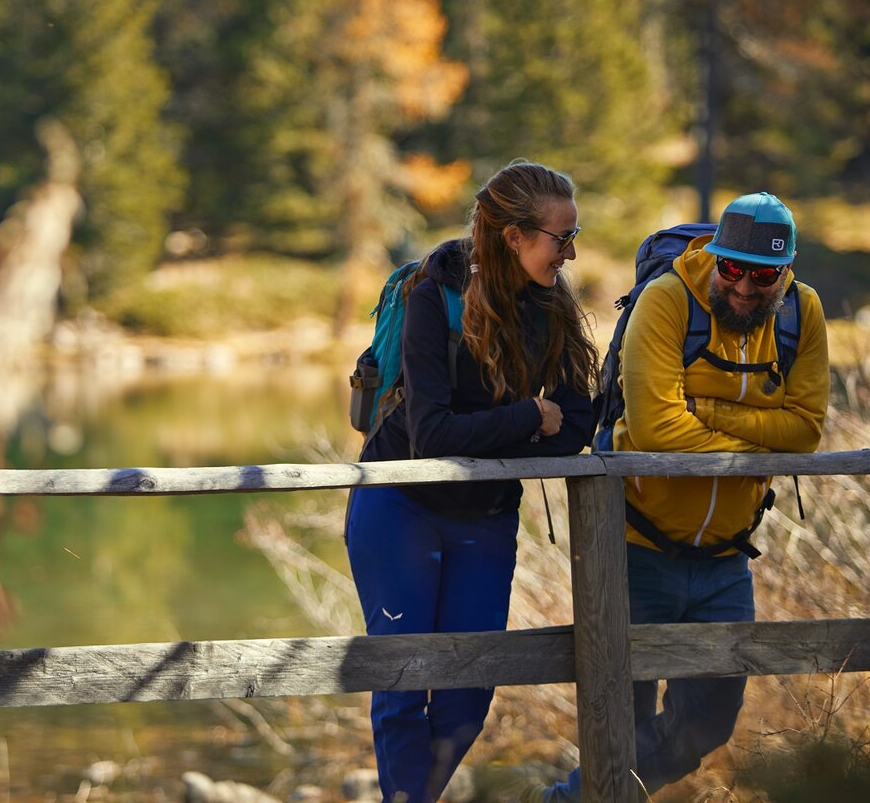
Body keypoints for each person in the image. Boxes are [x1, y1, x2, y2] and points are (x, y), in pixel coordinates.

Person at [524, 191, 830, 801]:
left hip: (726, 558)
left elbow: (806, 431)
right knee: (618, 723)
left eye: (763, 275)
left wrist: (712, 411)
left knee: (706, 725)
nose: (744, 287)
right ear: (716, 257)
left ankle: (568, 799)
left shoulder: (803, 313)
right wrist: (755, 434)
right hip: (635, 547)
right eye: (733, 268)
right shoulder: (666, 301)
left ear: (786, 272)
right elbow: (659, 430)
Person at [346, 160, 599, 803]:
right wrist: (526, 418)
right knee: (403, 681)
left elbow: (575, 428)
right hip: (399, 501)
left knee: (467, 694)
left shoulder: (553, 307)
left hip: (485, 515)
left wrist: (514, 427)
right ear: (513, 237)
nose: (569, 253)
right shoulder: (434, 294)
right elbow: (432, 436)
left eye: (574, 236)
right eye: (559, 238)